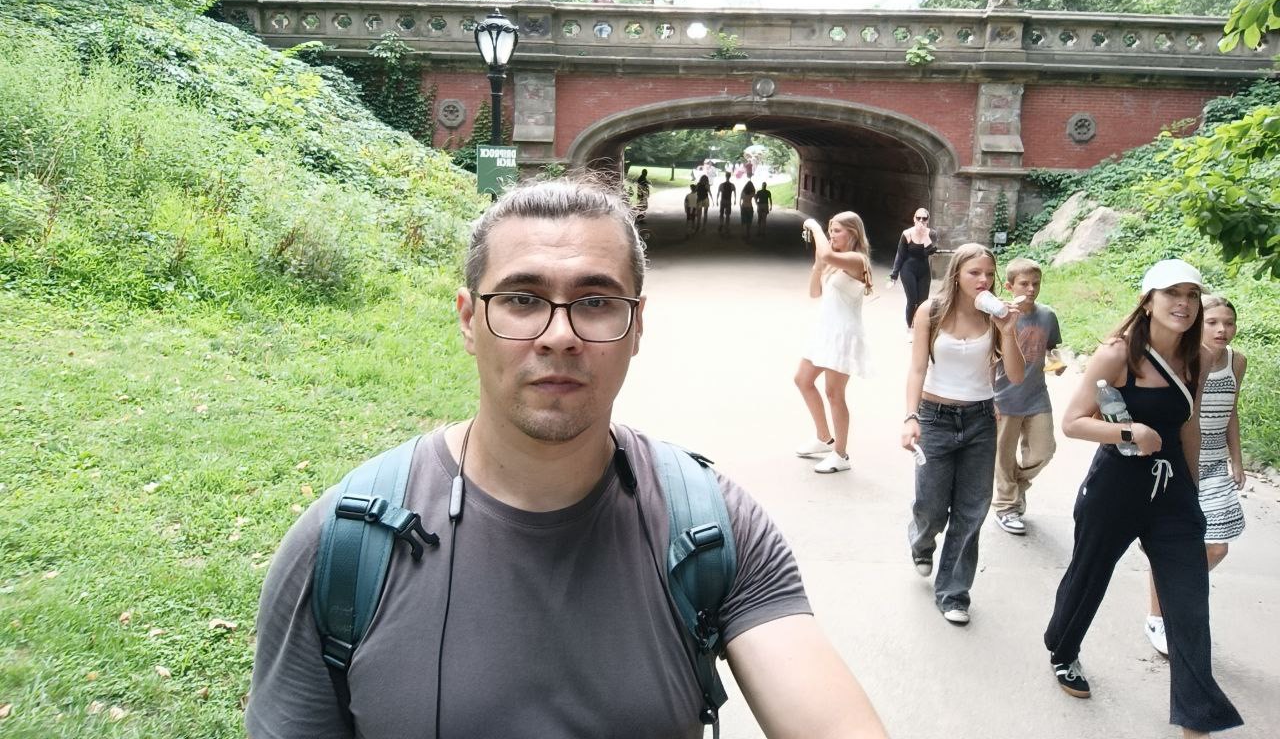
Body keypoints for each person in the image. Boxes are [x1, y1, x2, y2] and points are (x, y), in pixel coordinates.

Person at [245, 177, 888, 739]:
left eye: (596, 303)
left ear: (638, 325)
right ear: (468, 320)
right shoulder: (345, 545)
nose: (559, 336)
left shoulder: (714, 527)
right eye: (522, 300)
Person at [1043, 259, 1241, 737]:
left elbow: (1189, 426)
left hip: (1173, 493)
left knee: (1189, 600)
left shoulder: (1199, 358)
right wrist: (1131, 431)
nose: (1184, 303)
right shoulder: (1118, 354)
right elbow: (1073, 422)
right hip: (1116, 487)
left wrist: (1192, 491)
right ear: (1148, 301)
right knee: (1089, 575)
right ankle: (1063, 650)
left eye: (1191, 295)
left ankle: (1197, 719)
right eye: (1172, 293)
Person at [901, 243, 1024, 625]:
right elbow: (917, 369)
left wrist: (1008, 332)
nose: (983, 280)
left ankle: (954, 593)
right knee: (931, 505)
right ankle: (922, 541)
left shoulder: (996, 315)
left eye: (989, 273)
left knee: (972, 511)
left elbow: (1015, 375)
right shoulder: (931, 311)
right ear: (957, 274)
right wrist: (910, 417)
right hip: (934, 417)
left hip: (980, 419)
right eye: (975, 273)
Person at [1143, 294, 1247, 657]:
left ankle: (1174, 585)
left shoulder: (1236, 361)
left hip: (1216, 463)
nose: (1221, 330)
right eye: (1212, 322)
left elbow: (1231, 411)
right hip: (1182, 461)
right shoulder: (1183, 360)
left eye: (1228, 323)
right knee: (1173, 544)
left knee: (1217, 545)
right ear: (1198, 324)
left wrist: (1237, 460)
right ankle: (1158, 616)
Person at [990, 258, 1065, 536]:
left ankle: (1015, 488)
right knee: (1003, 456)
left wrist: (1056, 361)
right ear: (1010, 287)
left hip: (1036, 396)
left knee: (1044, 450)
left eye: (1036, 283)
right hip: (1004, 397)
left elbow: (1052, 347)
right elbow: (987, 359)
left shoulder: (1047, 315)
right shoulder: (999, 317)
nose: (1031, 289)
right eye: (1024, 284)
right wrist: (989, 397)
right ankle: (1006, 507)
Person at [794, 214, 873, 473]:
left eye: (836, 230)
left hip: (843, 334)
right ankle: (823, 438)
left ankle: (841, 454)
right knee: (802, 380)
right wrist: (818, 264)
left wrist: (814, 226)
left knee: (834, 393)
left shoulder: (857, 260)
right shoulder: (834, 261)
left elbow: (827, 254)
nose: (831, 235)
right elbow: (814, 293)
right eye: (829, 230)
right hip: (825, 332)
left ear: (852, 233)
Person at [888, 207, 938, 341]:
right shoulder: (907, 234)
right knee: (912, 301)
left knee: (923, 302)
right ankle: (910, 328)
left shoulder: (932, 234)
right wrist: (893, 276)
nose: (921, 221)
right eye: (918, 218)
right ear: (914, 219)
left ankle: (920, 327)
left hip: (923, 270)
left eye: (924, 218)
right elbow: (900, 255)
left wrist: (925, 235)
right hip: (908, 269)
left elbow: (930, 252)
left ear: (928, 220)